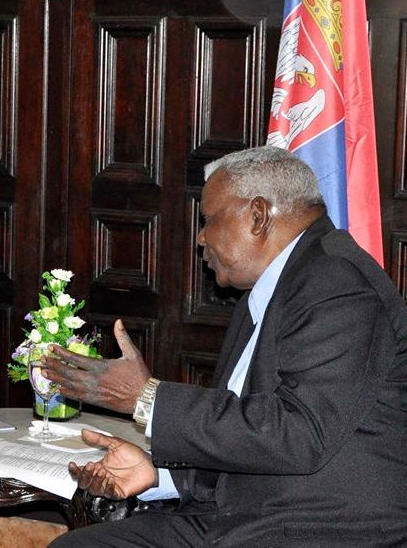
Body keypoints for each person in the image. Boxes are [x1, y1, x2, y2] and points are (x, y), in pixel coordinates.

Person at [44, 145, 407, 547]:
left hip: (320, 528)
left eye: (209, 219)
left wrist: (148, 398)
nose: (200, 238)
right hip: (247, 516)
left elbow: (298, 434)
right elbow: (249, 437)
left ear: (257, 215)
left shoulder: (337, 284)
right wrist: (159, 474)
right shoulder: (268, 291)